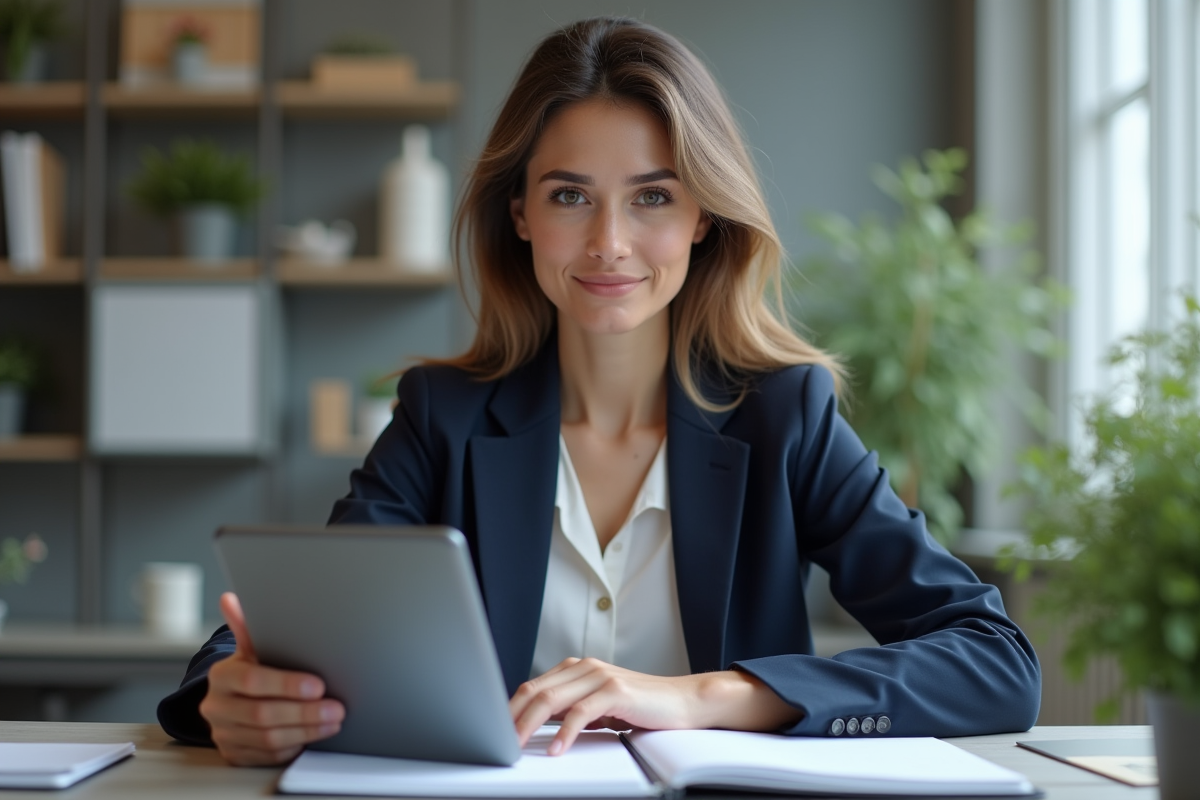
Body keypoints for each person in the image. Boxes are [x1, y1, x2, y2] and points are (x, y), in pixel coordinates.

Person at [157, 16, 1041, 767]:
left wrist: (703, 698)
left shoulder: (786, 417)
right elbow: (266, 641)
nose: (610, 242)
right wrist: (228, 697)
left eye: (652, 197)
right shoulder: (442, 419)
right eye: (571, 195)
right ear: (522, 215)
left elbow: (995, 664)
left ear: (703, 219)